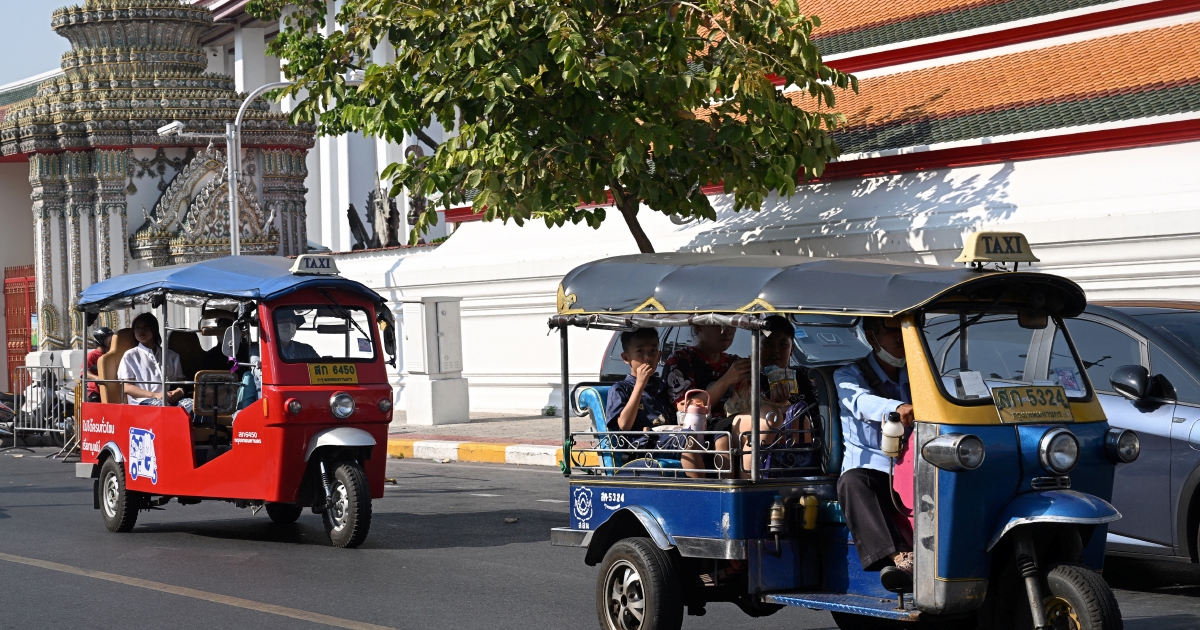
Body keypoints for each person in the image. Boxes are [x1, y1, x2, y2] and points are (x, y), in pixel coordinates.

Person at [834, 315, 915, 588]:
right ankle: (901, 557)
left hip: (915, 468)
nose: (900, 340)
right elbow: (861, 403)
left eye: (905, 333)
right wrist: (897, 409)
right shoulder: (847, 375)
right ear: (871, 337)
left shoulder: (918, 374)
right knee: (853, 482)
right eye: (893, 333)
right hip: (877, 472)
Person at [733, 315, 821, 477]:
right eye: (768, 344)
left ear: (792, 349)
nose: (775, 351)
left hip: (802, 456)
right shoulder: (747, 379)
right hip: (763, 455)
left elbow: (817, 417)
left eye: (783, 345)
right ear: (756, 348)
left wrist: (786, 405)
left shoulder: (806, 378)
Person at [664, 324, 749, 477]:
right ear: (699, 325)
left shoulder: (734, 362)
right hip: (703, 430)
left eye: (731, 324)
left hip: (736, 425)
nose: (726, 330)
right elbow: (687, 406)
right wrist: (726, 380)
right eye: (718, 324)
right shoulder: (681, 360)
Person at [604, 328, 677, 453]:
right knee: (689, 441)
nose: (648, 357)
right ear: (626, 358)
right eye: (640, 351)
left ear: (659, 355)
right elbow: (624, 425)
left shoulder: (663, 386)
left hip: (669, 438)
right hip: (642, 445)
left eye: (653, 351)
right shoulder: (621, 389)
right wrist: (640, 385)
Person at [117, 312, 193, 416]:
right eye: (137, 327)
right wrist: (156, 395)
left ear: (154, 329)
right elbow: (127, 387)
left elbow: (181, 382)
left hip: (171, 399)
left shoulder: (172, 355)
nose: (141, 330)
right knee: (165, 409)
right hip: (143, 401)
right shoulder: (130, 355)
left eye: (145, 326)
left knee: (194, 407)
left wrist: (179, 391)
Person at [85, 327, 114, 403]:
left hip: (111, 390)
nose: (111, 341)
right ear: (101, 339)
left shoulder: (111, 355)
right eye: (109, 338)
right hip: (96, 392)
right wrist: (97, 378)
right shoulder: (91, 355)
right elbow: (84, 372)